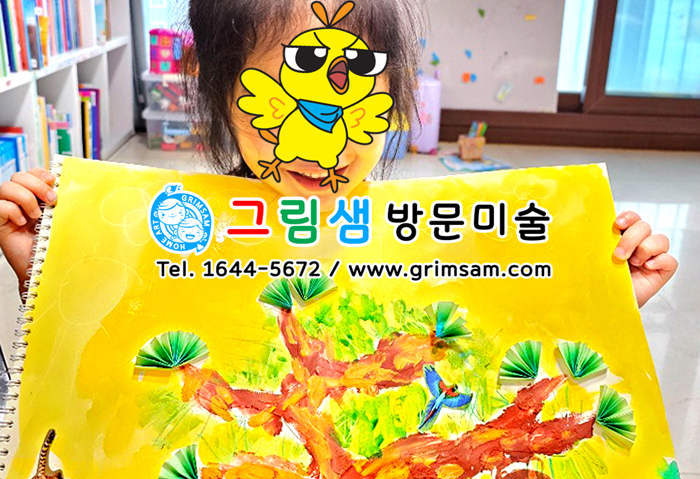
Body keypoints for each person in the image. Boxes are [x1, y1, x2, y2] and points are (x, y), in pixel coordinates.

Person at [0, 0, 678, 304]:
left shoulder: (433, 239)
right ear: (215, 87)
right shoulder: (180, 233)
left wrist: (602, 294)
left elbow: (494, 344)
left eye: (355, 105)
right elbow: (120, 352)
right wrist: (50, 273)